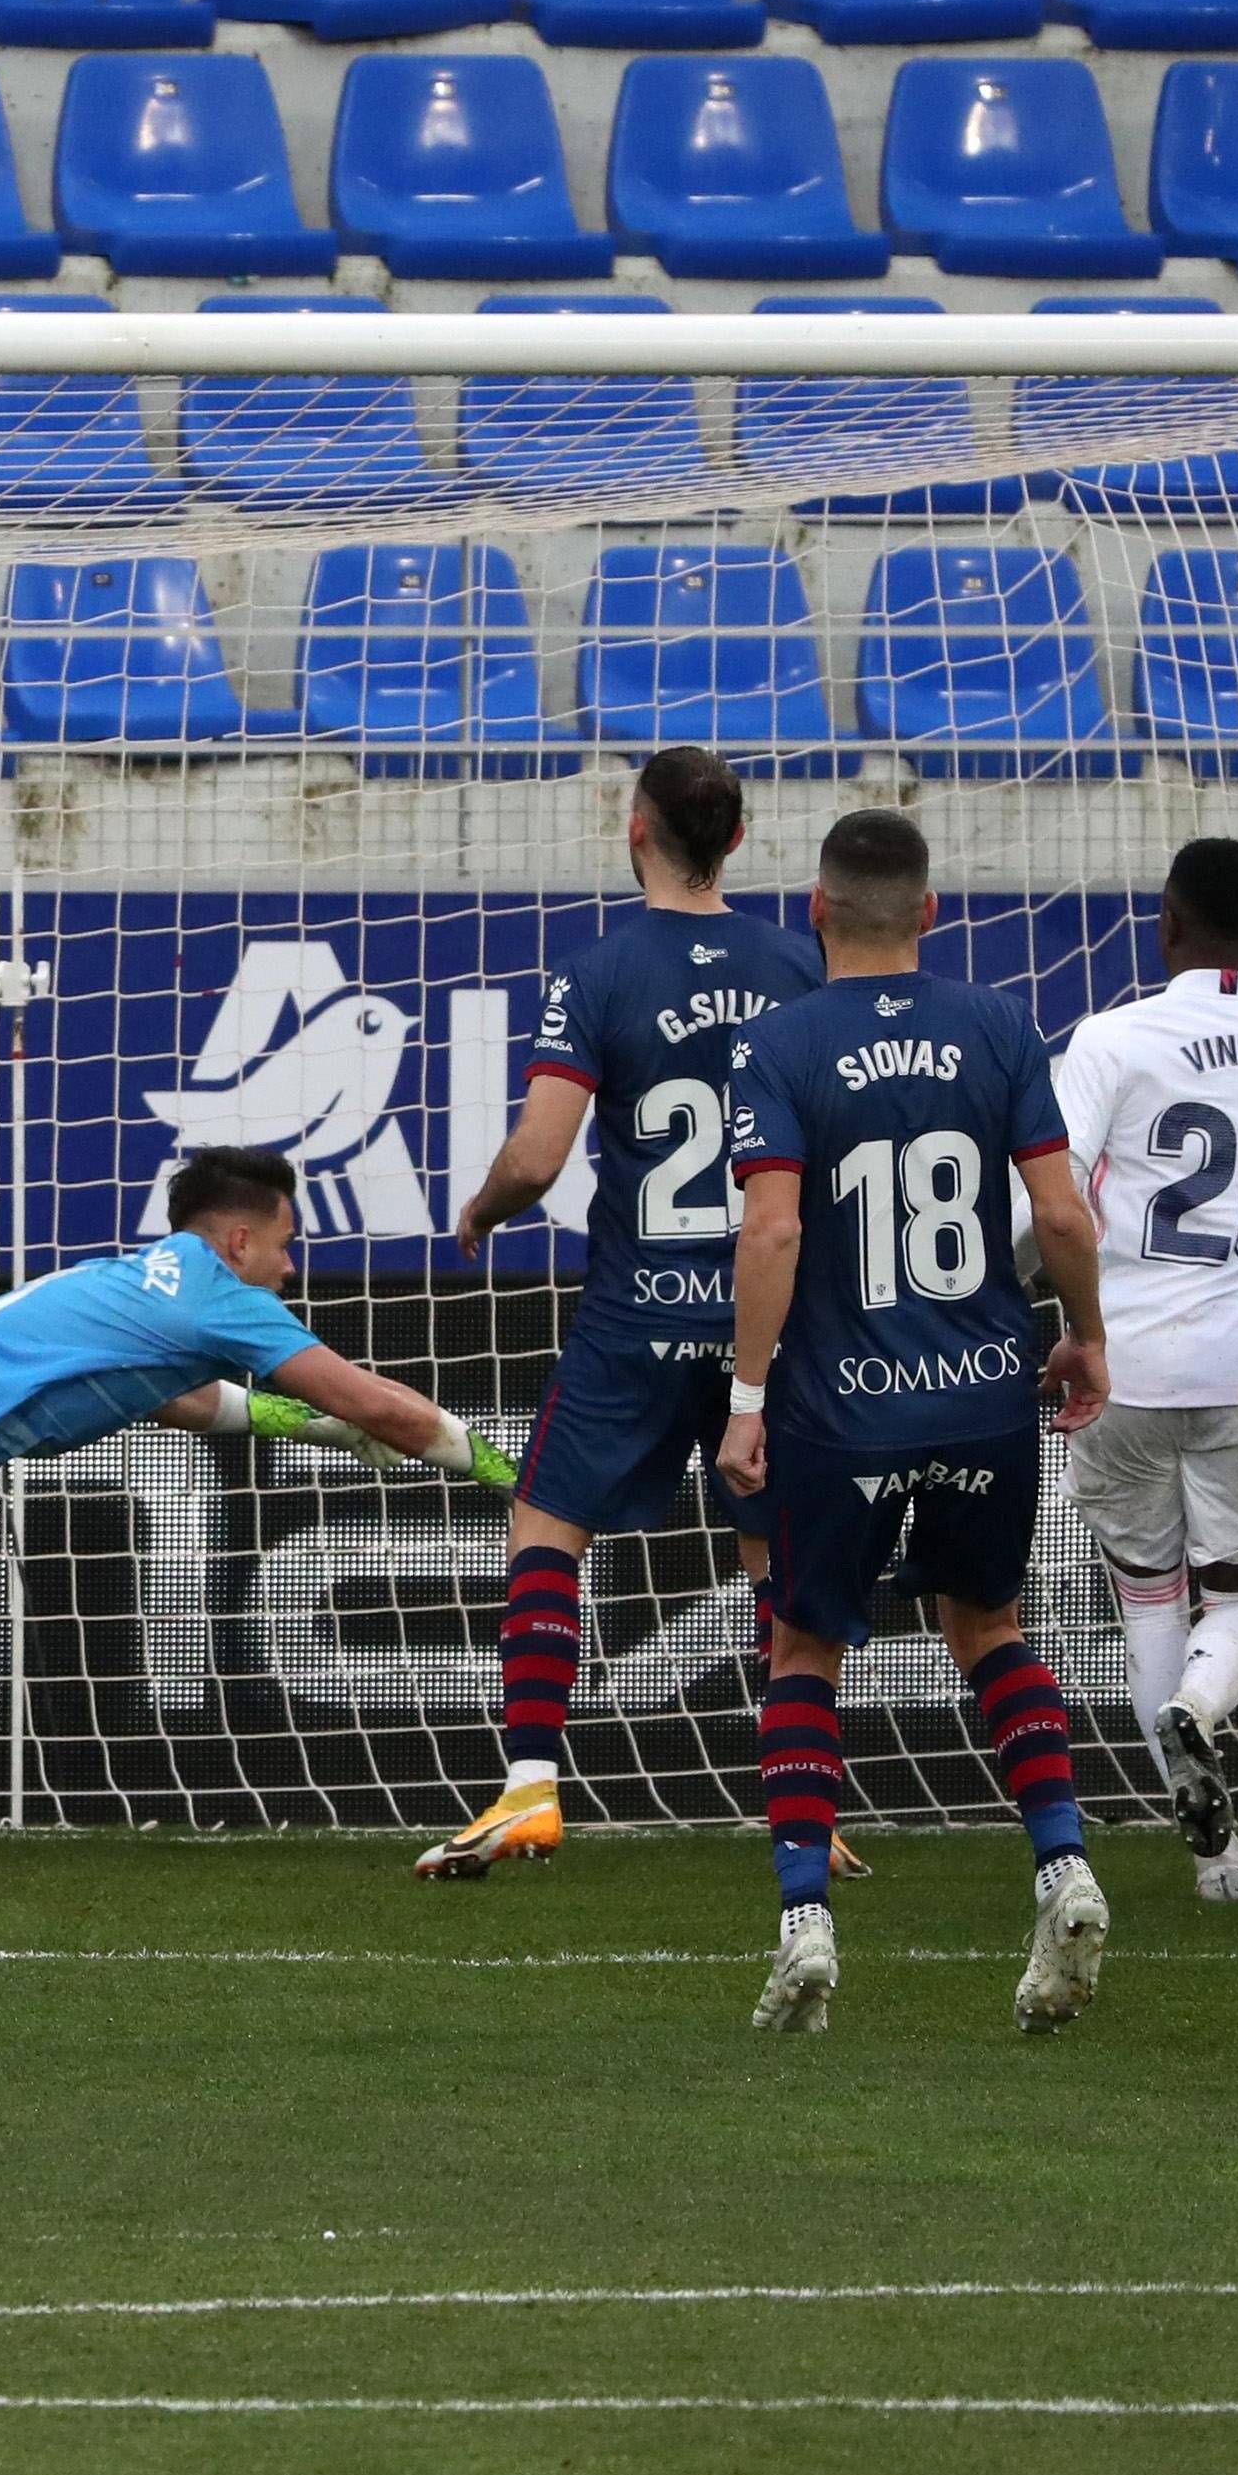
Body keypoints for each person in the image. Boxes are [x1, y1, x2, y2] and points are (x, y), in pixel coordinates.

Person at [0, 1145, 511, 1824]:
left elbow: (176, 1398)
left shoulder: (151, 1278)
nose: (290, 1265)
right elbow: (375, 1403)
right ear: (239, 1239)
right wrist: (503, 1469)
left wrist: (319, 1430)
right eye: (284, 1243)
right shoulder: (218, 1297)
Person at [720, 807, 1113, 2038]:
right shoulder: (999, 1026)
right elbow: (1061, 1217)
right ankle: (1063, 1864)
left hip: (842, 1407)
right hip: (986, 1390)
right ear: (932, 912)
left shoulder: (780, 1043)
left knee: (803, 1650)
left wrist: (743, 1398)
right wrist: (1087, 1336)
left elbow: (773, 1229)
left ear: (816, 910)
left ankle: (804, 1920)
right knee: (988, 1624)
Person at [433, 748, 831, 1880]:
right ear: (738, 842)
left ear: (634, 830)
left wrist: (485, 1207)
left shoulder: (597, 972)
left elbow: (541, 1152)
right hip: (769, 1315)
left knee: (547, 1529)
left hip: (637, 1311)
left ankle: (528, 1788)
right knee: (770, 1550)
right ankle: (808, 1808)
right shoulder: (798, 968)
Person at [1053, 839, 1238, 1904]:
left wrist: (1076, 1320)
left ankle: (1218, 1861)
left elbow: (1050, 1204)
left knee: (1146, 1600)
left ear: (1165, 920)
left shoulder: (1110, 1039)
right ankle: (1202, 1714)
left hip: (1117, 1360)